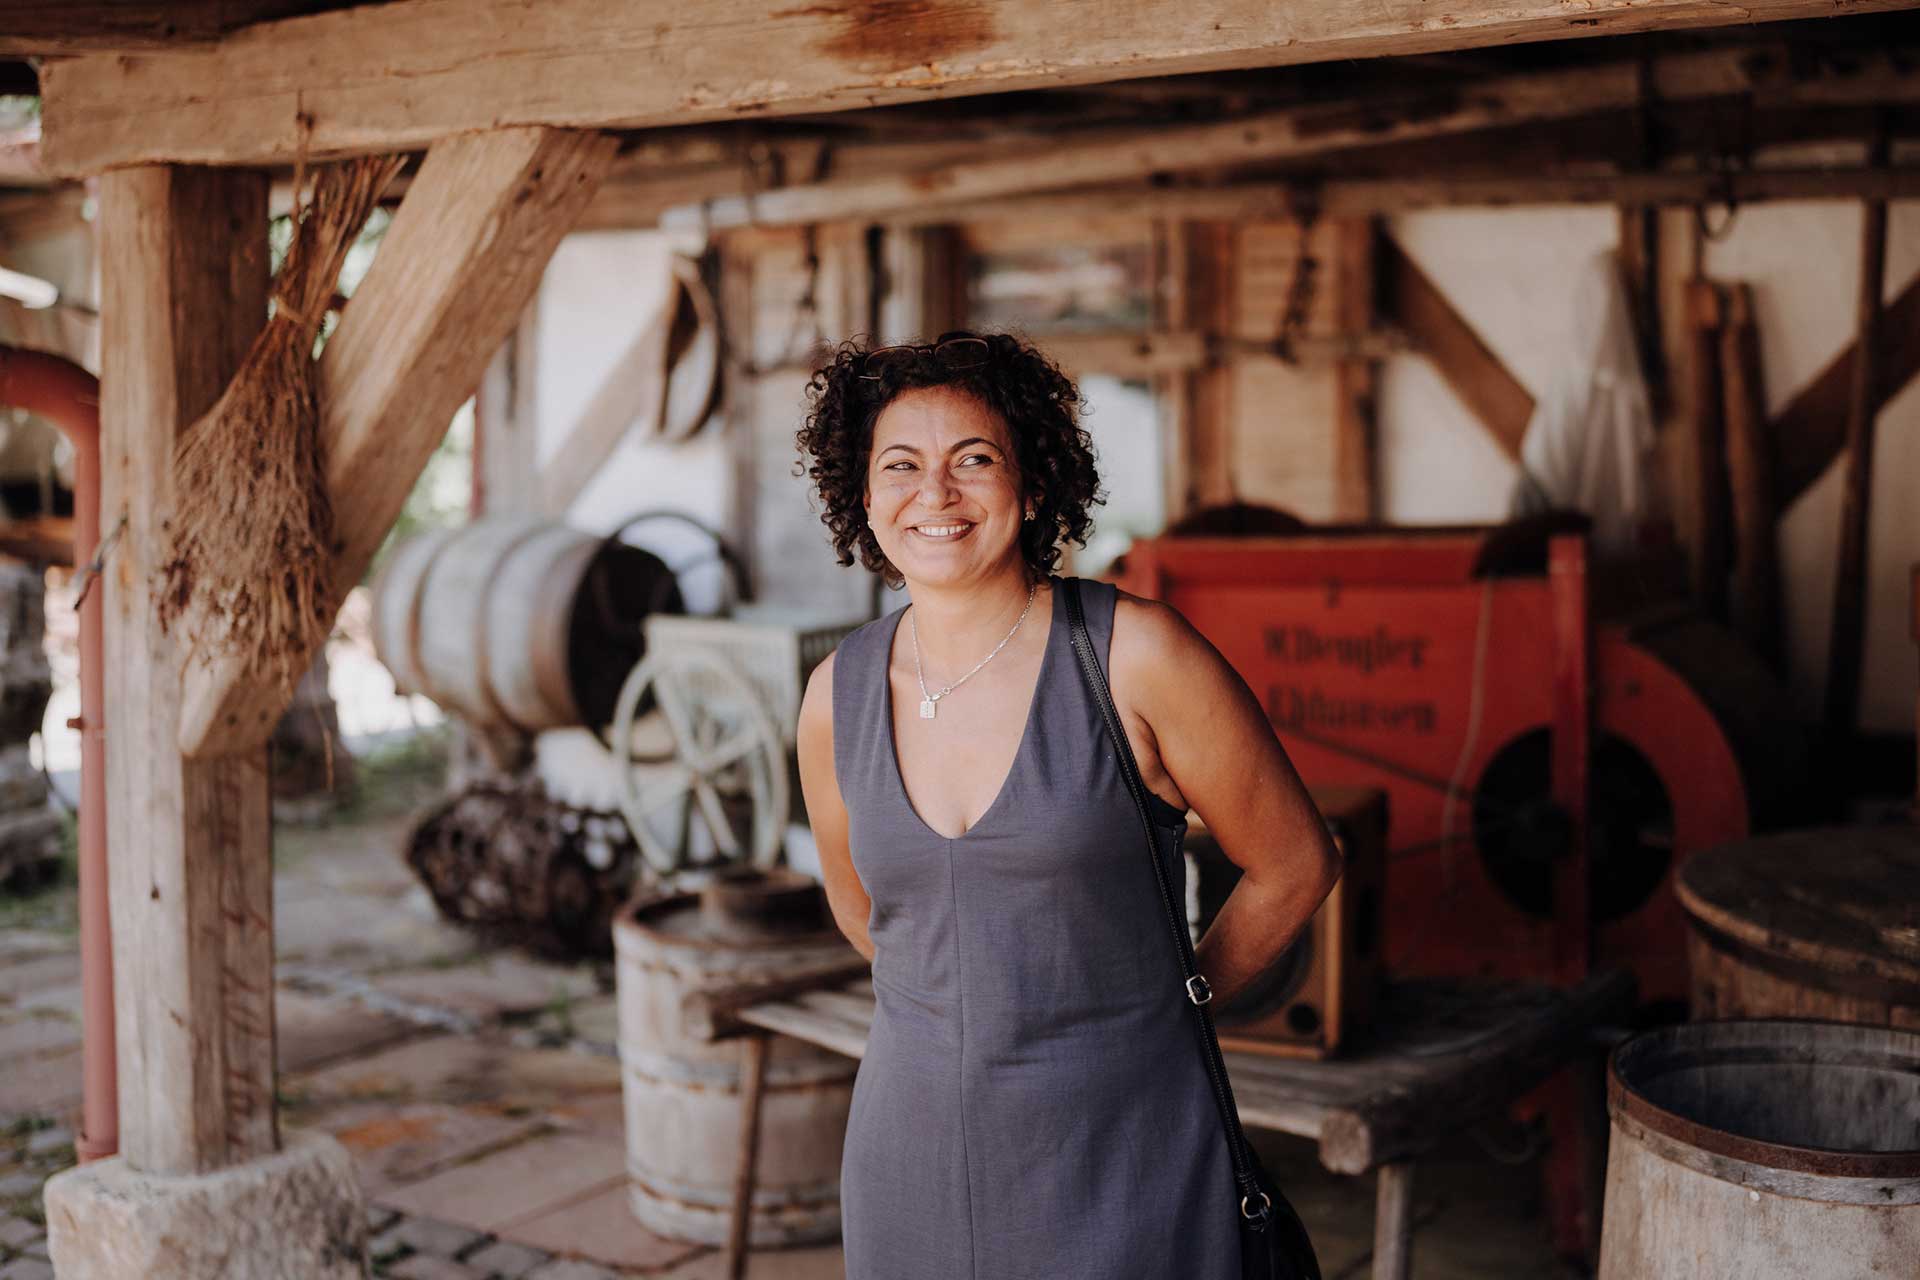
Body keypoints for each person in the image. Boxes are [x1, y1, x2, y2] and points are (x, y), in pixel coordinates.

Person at [793, 330, 1340, 1278]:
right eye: (901, 466)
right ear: (864, 497)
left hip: (1122, 1136)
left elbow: (1296, 860)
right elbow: (858, 905)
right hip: (909, 1143)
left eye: (975, 459)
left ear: (1035, 482)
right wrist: (963, 1002)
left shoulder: (1136, 654)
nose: (936, 494)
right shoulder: (833, 694)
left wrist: (1181, 996)